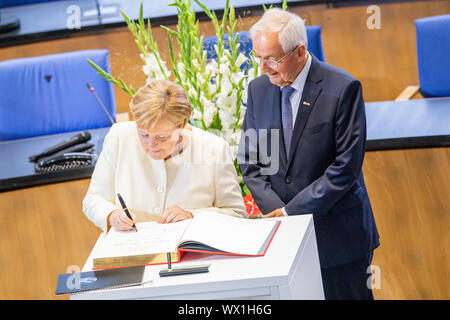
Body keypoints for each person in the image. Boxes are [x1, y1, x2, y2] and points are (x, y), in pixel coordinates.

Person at [238, 8, 379, 300]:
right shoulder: (258, 90)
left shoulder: (342, 88)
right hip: (281, 240)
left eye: (272, 59)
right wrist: (276, 213)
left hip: (338, 240)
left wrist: (291, 213)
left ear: (300, 52)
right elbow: (252, 162)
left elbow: (345, 169)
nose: (263, 67)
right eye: (258, 57)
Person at [83, 79, 247, 233]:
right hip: (133, 251)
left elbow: (237, 213)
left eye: (161, 137)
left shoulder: (213, 148)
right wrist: (111, 215)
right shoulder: (119, 137)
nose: (151, 145)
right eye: (143, 135)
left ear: (182, 124)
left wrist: (193, 215)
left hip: (192, 253)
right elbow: (93, 200)